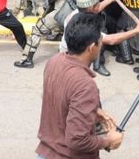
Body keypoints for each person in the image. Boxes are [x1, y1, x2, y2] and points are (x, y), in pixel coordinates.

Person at [36, 12, 124, 159]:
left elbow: (60, 99)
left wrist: (93, 110)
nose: (101, 44)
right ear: (91, 47)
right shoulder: (85, 85)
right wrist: (108, 140)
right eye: (100, 40)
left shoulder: (55, 61)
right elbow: (77, 140)